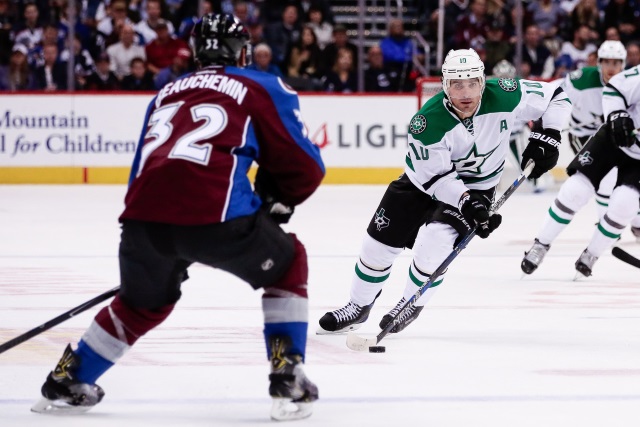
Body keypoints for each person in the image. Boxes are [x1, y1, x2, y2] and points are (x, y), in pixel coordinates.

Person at [33, 13, 324, 421]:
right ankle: (288, 373)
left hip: (142, 220)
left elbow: (144, 169)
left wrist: (161, 243)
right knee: (288, 264)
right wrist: (278, 198)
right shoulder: (260, 85)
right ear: (240, 50)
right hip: (217, 217)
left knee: (140, 303)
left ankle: (68, 377)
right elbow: (305, 168)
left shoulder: (166, 92)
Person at [317, 48, 571, 335]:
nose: (465, 92)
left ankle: (409, 303)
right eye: (456, 84)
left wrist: (549, 134)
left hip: (477, 187)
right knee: (376, 247)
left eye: (472, 83)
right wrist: (467, 204)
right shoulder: (427, 122)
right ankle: (357, 306)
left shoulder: (505, 94)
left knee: (434, 243)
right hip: (422, 183)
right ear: (444, 84)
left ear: (483, 81)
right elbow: (438, 179)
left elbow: (556, 94)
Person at [521, 41, 640, 277]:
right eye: (607, 62)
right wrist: (617, 114)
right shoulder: (627, 77)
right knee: (576, 190)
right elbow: (615, 89)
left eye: (616, 62)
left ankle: (591, 254)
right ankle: (541, 244)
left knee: (625, 202)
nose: (611, 67)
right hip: (611, 137)